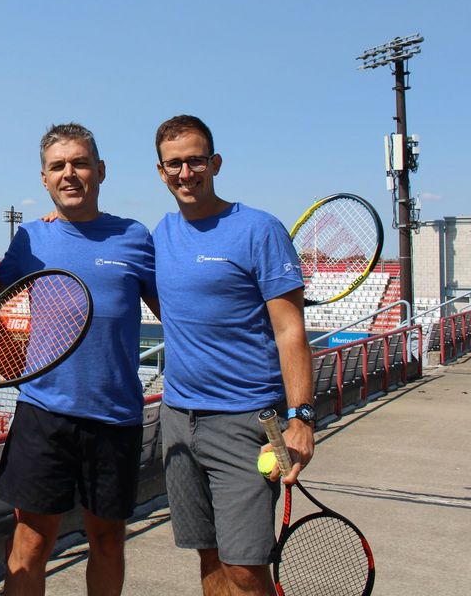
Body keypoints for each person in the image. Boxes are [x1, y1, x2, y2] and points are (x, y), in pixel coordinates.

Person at [152, 115, 315, 596]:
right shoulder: (161, 233)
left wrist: (301, 419)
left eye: (195, 161)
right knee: (208, 556)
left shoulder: (259, 229)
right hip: (178, 418)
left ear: (216, 163)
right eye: (174, 163)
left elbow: (290, 330)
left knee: (244, 568)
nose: (185, 173)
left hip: (246, 421)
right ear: (161, 171)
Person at [0, 122, 158, 596]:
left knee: (107, 541)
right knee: (30, 543)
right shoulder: (30, 238)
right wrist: (10, 358)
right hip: (43, 414)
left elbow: (176, 313)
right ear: (44, 179)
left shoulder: (134, 236)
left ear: (100, 171)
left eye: (80, 163)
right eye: (58, 166)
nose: (69, 173)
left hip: (114, 417)